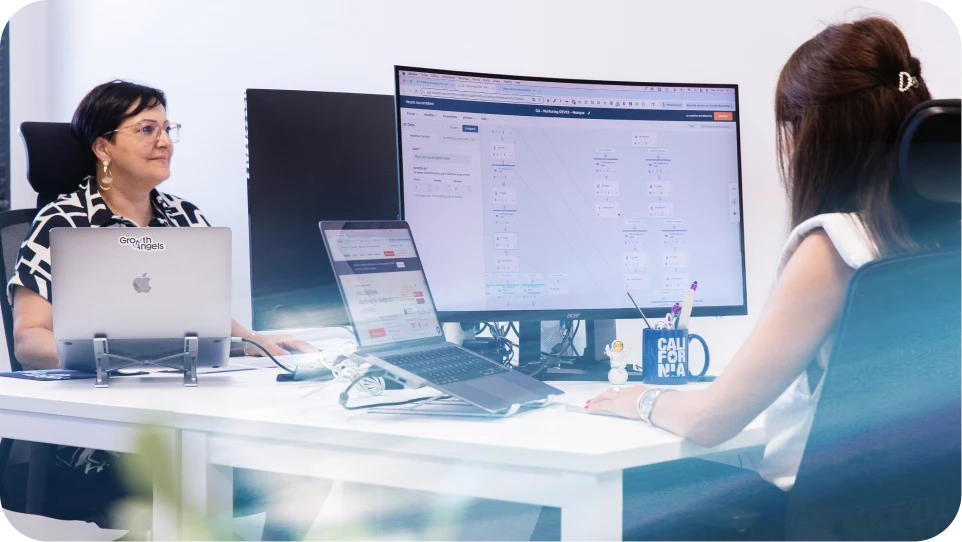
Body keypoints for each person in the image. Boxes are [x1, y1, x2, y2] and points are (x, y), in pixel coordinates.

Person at [535, 17, 939, 541]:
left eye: (790, 129)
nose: (788, 148)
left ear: (818, 136)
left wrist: (640, 399)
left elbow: (711, 420)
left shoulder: (833, 248)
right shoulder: (935, 241)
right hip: (895, 517)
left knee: (570, 503)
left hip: (804, 520)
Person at [5, 80, 330, 540]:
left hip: (188, 404)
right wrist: (118, 359)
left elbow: (203, 314)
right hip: (103, 428)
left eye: (167, 128)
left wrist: (255, 340)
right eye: (146, 129)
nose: (164, 142)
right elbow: (29, 339)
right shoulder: (62, 222)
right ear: (103, 147)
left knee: (312, 457)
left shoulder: (184, 217)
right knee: (210, 467)